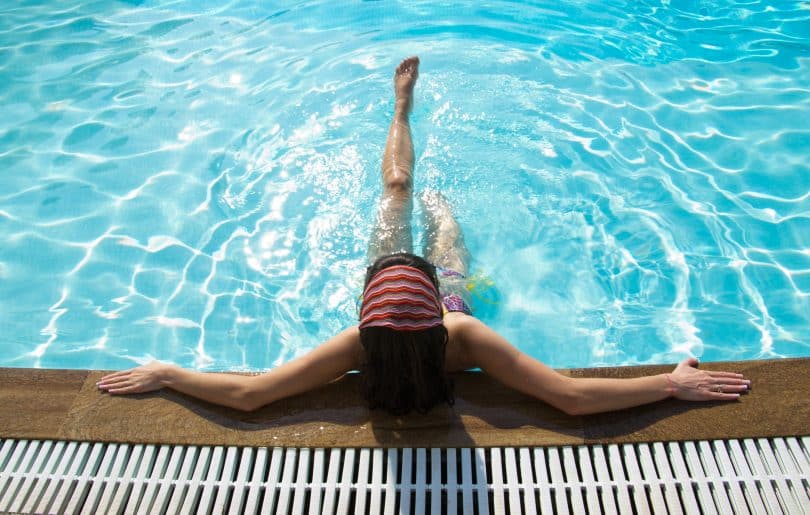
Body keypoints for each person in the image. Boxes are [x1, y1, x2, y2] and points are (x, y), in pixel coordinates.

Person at [98, 57, 750, 415]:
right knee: (445, 227)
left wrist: (166, 372)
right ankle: (415, 145)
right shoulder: (458, 328)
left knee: (397, 190)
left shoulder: (361, 340)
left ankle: (400, 113)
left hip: (399, 290)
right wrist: (670, 384)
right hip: (446, 293)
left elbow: (250, 394)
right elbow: (571, 397)